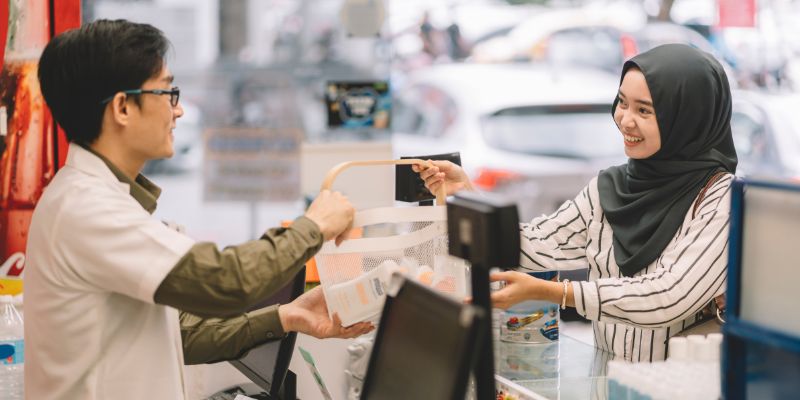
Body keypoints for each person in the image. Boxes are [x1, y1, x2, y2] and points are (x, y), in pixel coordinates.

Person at [26, 19, 372, 400]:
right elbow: (227, 281)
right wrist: (315, 225)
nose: (179, 112)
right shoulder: (89, 208)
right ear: (123, 107)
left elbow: (179, 335)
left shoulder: (98, 198)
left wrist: (285, 317)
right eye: (167, 92)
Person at [416, 44, 737, 361]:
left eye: (645, 110)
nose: (625, 120)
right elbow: (535, 244)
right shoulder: (611, 188)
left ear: (689, 118)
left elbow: (667, 296)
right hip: (607, 383)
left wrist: (557, 293)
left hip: (679, 388)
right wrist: (466, 195)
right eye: (622, 103)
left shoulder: (720, 198)